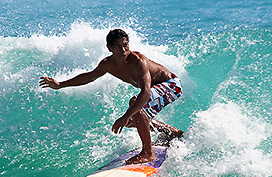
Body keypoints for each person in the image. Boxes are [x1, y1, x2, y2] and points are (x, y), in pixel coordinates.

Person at [40, 29, 183, 164]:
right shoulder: (107, 64)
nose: (123, 50)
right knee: (135, 120)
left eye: (125, 45)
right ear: (109, 48)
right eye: (118, 46)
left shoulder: (138, 62)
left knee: (134, 106)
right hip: (156, 89)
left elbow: (145, 93)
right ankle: (172, 132)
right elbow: (89, 77)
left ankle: (147, 153)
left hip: (171, 85)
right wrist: (60, 85)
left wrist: (125, 116)